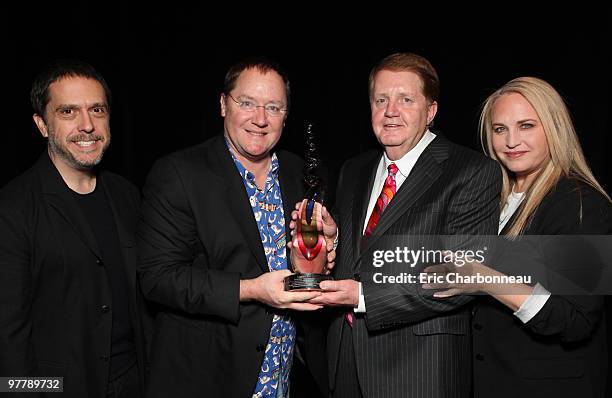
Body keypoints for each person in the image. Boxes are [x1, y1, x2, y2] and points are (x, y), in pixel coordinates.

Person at [137, 57, 333, 398]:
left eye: (273, 107)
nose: (260, 119)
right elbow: (158, 278)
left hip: (284, 377)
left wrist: (329, 250)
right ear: (223, 104)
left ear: (286, 116)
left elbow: (309, 262)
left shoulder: (299, 172)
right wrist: (252, 290)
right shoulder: (179, 174)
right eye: (247, 103)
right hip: (208, 378)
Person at [309, 52, 501, 397]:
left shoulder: (472, 171)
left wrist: (365, 296)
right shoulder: (355, 169)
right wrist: (332, 240)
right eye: (381, 99)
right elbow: (358, 256)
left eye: (405, 99)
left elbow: (465, 275)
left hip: (420, 368)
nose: (390, 110)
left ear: (431, 111)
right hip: (345, 358)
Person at [424, 76, 611, 397]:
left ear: (554, 128)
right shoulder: (489, 199)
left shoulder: (582, 203)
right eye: (500, 129)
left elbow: (575, 321)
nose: (511, 141)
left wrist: (485, 278)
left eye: (526, 126)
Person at [0, 60, 149, 397]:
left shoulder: (127, 195)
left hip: (135, 382)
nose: (87, 125)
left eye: (97, 110)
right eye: (68, 112)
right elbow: (8, 340)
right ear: (42, 124)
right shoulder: (12, 209)